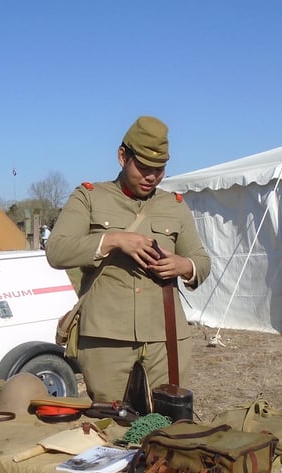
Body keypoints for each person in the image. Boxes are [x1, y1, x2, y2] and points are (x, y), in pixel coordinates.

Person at [45, 115, 210, 401]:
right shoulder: (89, 198)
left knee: (167, 420)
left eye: (159, 169)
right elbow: (57, 251)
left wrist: (184, 265)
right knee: (111, 421)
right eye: (144, 167)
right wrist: (113, 240)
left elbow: (201, 260)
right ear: (123, 157)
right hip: (106, 339)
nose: (151, 177)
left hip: (165, 338)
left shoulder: (174, 206)